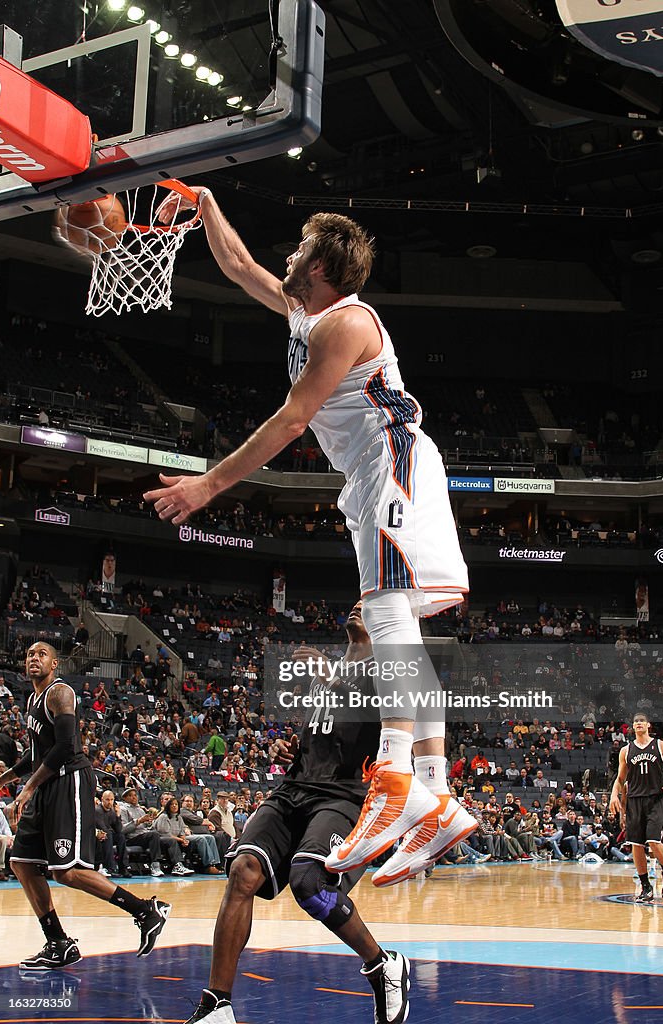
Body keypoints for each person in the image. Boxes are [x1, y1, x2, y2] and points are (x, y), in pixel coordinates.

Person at [145, 194, 470, 883]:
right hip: (365, 472)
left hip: (392, 456)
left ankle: (392, 779)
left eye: (298, 250)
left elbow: (293, 420)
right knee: (397, 622)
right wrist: (204, 205)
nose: (287, 258)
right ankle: (436, 795)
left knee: (383, 611)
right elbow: (237, 265)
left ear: (320, 265)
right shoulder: (305, 311)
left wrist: (206, 486)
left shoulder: (344, 322)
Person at [183, 602, 410, 1024]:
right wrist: (297, 748)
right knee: (243, 870)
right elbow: (329, 732)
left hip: (345, 794)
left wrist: (330, 677)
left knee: (310, 884)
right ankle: (217, 1005)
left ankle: (383, 965)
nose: (358, 606)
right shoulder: (333, 672)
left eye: (368, 605)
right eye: (355, 603)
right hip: (296, 786)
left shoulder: (391, 669)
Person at [0, 642, 170, 969]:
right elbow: (33, 757)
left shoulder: (60, 694)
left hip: (68, 780)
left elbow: (63, 747)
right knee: (21, 863)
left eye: (41, 654)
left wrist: (27, 789)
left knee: (67, 871)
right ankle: (58, 942)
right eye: (30, 654)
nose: (34, 658)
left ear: (54, 663)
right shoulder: (32, 699)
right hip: (46, 783)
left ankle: (145, 911)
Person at [610, 712, 663, 902]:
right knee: (636, 845)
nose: (638, 724)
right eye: (635, 722)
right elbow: (620, 778)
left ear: (648, 725)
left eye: (641, 721)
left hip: (655, 798)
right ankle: (645, 885)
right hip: (635, 800)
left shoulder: (660, 745)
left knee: (654, 841)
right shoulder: (626, 750)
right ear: (633, 727)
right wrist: (614, 795)